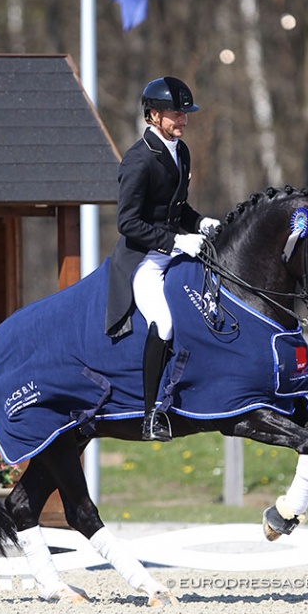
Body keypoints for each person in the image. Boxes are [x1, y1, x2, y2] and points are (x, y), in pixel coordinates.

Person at [105, 76, 220, 442]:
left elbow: (176, 207)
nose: (183, 120)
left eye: (185, 113)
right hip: (145, 261)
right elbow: (128, 222)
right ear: (153, 114)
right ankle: (151, 413)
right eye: (175, 113)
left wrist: (201, 222)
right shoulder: (138, 160)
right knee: (165, 322)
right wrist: (175, 242)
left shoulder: (180, 152)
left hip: (173, 249)